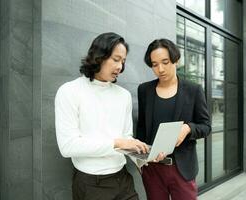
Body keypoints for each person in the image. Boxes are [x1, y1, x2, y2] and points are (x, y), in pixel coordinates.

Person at [55, 32, 149, 200]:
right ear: (99, 56)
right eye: (116, 59)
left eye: (123, 61)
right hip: (91, 184)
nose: (120, 67)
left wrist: (140, 152)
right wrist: (117, 143)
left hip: (123, 179)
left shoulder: (124, 95)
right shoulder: (69, 91)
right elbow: (68, 146)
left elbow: (125, 136)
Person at [136, 39, 211, 200]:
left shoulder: (193, 90)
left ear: (176, 60)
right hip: (152, 168)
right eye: (154, 64)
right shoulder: (145, 90)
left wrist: (188, 128)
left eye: (165, 62)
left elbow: (206, 126)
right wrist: (141, 161)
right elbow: (141, 126)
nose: (160, 69)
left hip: (182, 168)